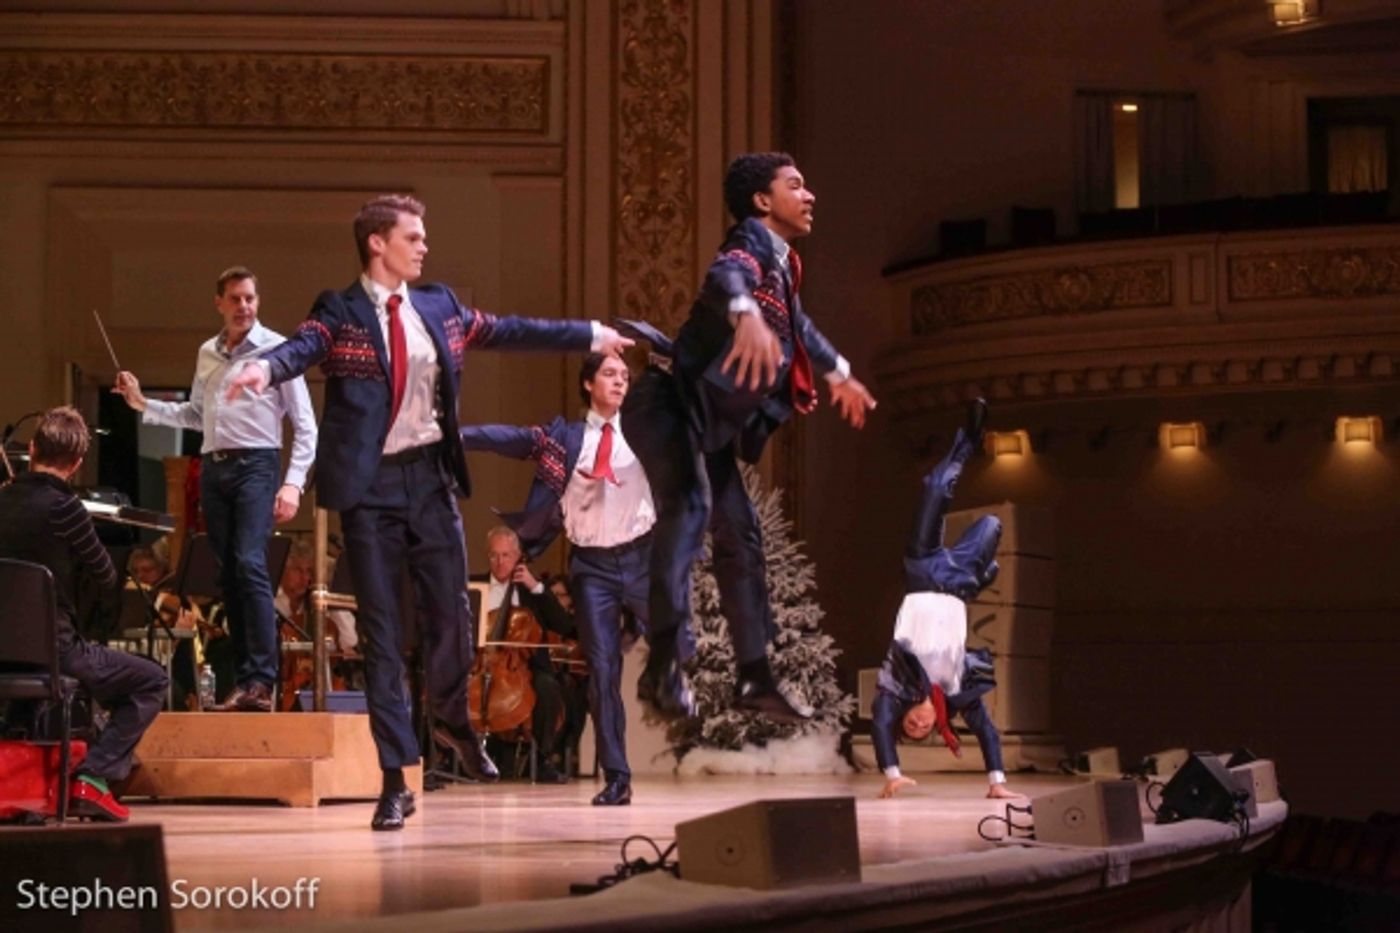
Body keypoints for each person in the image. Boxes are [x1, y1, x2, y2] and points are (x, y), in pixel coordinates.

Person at [224, 194, 632, 830]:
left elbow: (511, 330)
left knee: (451, 621)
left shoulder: (439, 306)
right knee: (385, 636)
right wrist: (264, 369)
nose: (423, 246)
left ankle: (452, 718)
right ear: (376, 244)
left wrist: (588, 334)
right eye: (412, 237)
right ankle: (395, 779)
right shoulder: (341, 309)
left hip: (430, 481)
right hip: (370, 492)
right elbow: (301, 348)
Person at [619, 152, 878, 723]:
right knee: (688, 509)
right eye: (796, 185)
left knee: (742, 538)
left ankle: (754, 677)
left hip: (702, 424)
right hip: (666, 403)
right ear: (763, 202)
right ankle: (663, 666)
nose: (809, 195)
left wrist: (839, 372)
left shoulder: (783, 268)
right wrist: (744, 313)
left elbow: (800, 324)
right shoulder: (751, 244)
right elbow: (724, 275)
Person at [114, 266, 317, 713]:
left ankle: (262, 680)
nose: (244, 306)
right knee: (228, 576)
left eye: (250, 298)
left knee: (249, 564)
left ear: (257, 302)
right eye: (236, 299)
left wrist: (293, 485)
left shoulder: (277, 350)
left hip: (257, 465)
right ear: (219, 303)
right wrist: (143, 404)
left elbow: (306, 427)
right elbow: (195, 415)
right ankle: (245, 682)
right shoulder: (207, 352)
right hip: (215, 468)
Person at [461, 352, 653, 805]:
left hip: (643, 560)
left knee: (679, 640)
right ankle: (618, 777)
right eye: (609, 374)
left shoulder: (646, 434)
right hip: (593, 567)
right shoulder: (565, 438)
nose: (620, 382)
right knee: (602, 672)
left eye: (626, 376)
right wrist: (458, 435)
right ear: (588, 383)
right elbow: (509, 438)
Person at [0, 407, 168, 821]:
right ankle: (91, 778)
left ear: (33, 448)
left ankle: (20, 787)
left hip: (4, 650)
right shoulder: (67, 509)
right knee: (151, 680)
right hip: (55, 651)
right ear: (75, 465)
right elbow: (106, 576)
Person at [872, 400, 1022, 800]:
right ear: (935, 723)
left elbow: (880, 723)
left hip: (922, 571)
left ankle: (969, 438)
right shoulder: (958, 691)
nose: (917, 725)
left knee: (934, 488)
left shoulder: (896, 685)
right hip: (955, 583)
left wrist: (891, 772)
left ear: (904, 716)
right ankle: (980, 579)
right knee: (992, 524)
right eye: (923, 730)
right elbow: (987, 732)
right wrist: (998, 784)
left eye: (910, 726)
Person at [475, 527, 581, 785]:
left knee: (547, 687)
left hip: (524, 666)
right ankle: (460, 754)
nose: (500, 563)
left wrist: (536, 587)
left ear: (518, 557)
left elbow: (565, 627)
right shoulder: (475, 586)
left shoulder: (532, 593)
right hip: (478, 662)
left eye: (506, 556)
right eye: (494, 556)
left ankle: (542, 759)